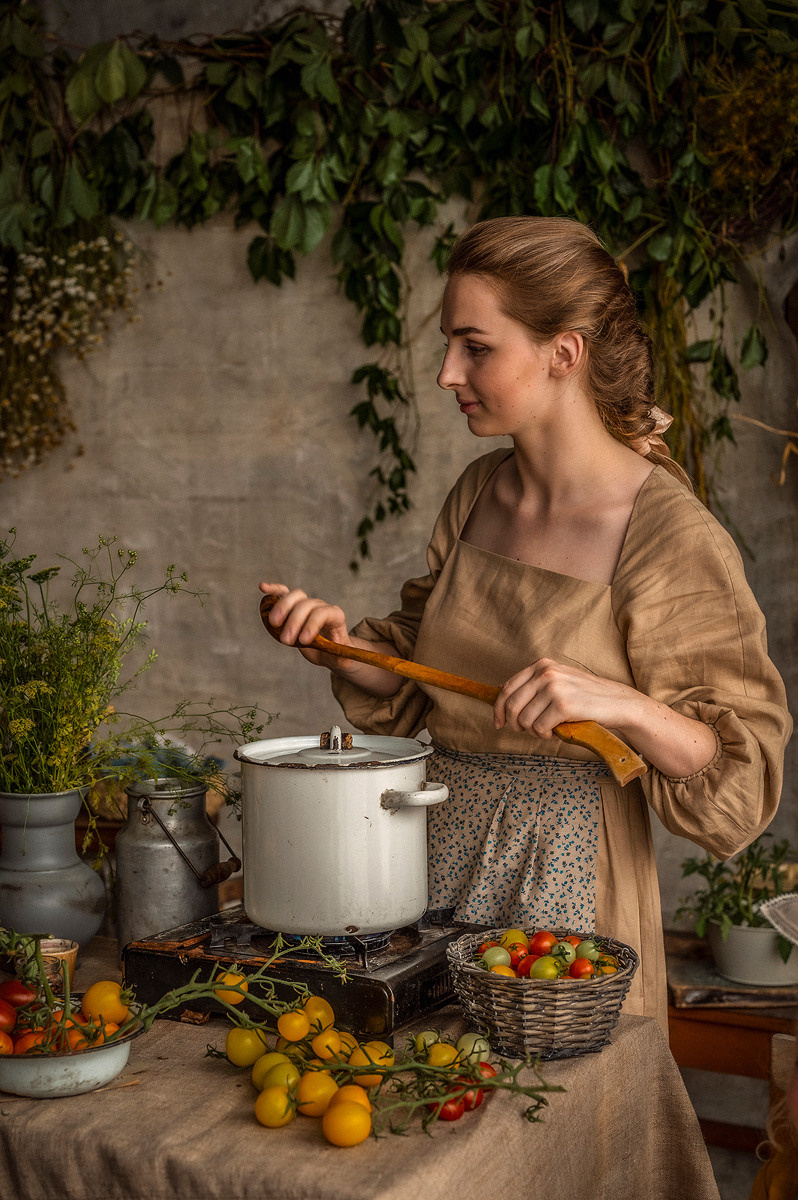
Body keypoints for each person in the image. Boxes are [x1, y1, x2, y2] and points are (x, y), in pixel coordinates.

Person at [260, 215, 792, 1034]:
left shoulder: (668, 534)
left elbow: (737, 778)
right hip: (428, 866)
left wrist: (620, 703)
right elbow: (417, 678)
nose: (445, 372)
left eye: (475, 346)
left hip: (569, 902)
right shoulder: (477, 493)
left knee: (544, 1133)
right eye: (449, 345)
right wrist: (339, 646)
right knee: (422, 1109)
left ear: (563, 353)